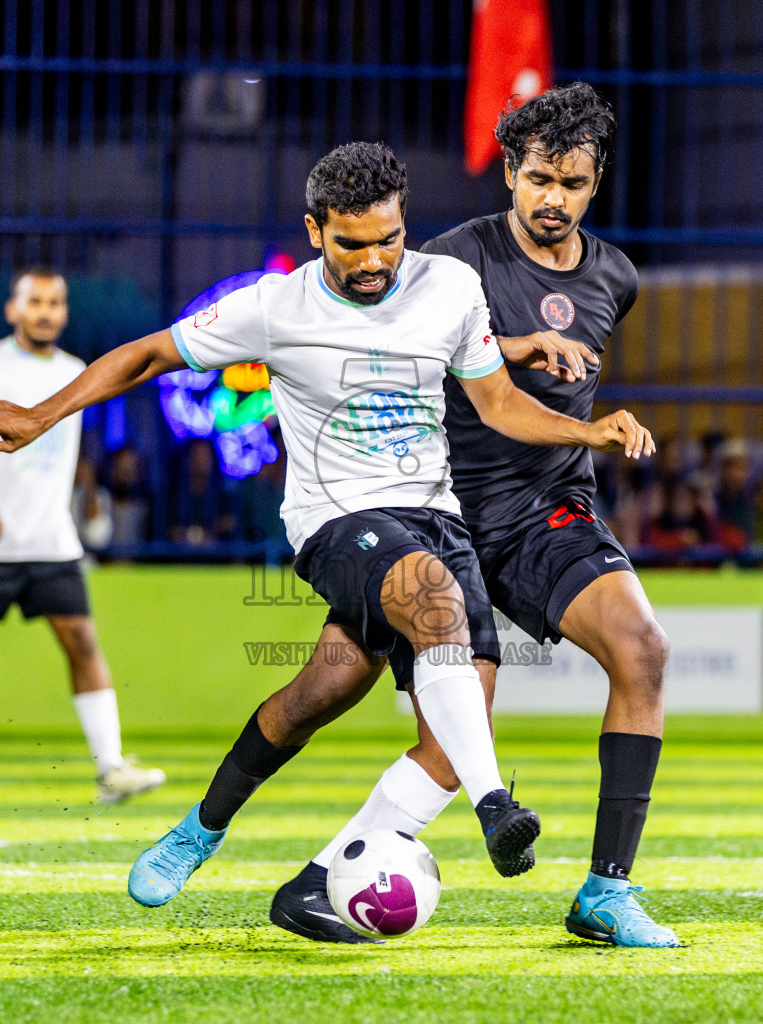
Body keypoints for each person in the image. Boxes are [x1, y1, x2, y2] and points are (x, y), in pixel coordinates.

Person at [0, 142, 654, 921]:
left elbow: (495, 402)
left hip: (435, 517)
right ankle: (496, 806)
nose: (374, 258)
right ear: (316, 230)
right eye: (352, 243)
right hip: (337, 521)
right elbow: (149, 355)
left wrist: (586, 434)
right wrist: (41, 414)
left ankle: (258, 858)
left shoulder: (450, 286)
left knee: (317, 700)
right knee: (435, 606)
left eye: (388, 238)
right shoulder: (272, 307)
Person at [278, 86, 682, 948]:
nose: (553, 199)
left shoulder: (616, 277)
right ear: (510, 170)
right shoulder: (448, 261)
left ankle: (607, 892)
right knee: (335, 701)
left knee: (643, 648)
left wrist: (588, 433)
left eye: (572, 183)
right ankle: (298, 866)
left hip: (549, 513)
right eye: (538, 178)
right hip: (440, 517)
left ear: (595, 180)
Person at [0, 268, 166, 808]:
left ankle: (111, 769)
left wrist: (84, 492)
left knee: (83, 643)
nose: (44, 311)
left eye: (54, 302)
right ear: (13, 310)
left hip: (50, 538)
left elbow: (73, 452)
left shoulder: (74, 371)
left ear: (63, 313)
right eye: (34, 301)